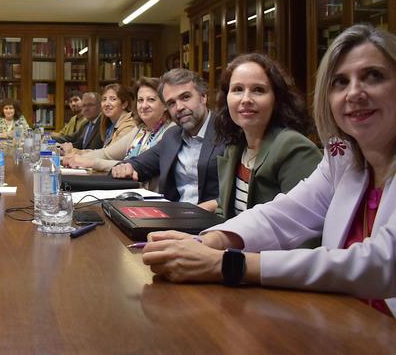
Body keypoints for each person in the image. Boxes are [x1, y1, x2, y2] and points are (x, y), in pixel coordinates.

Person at [142, 25, 395, 316]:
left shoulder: (292, 145)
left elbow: (383, 262)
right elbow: (283, 214)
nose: (354, 93)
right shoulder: (343, 157)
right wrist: (205, 241)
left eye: (373, 76)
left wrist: (229, 264)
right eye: (339, 82)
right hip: (343, 318)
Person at [213, 53, 321, 219]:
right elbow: (223, 213)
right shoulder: (234, 146)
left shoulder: (294, 148)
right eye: (237, 90)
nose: (246, 99)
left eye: (258, 90)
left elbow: (304, 227)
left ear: (276, 99)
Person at [111, 68, 224, 211]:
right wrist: (125, 167)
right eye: (171, 103)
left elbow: (243, 194)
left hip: (214, 223)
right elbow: (139, 164)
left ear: (203, 97)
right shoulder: (172, 135)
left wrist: (209, 207)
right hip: (173, 217)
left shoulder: (227, 131)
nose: (179, 107)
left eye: (185, 97)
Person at [63, 78, 173, 172]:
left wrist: (91, 162)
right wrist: (75, 158)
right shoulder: (140, 130)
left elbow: (136, 166)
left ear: (165, 104)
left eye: (151, 100)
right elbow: (107, 154)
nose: (144, 105)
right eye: (140, 100)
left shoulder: (171, 131)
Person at [63, 84, 135, 155]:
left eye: (113, 99)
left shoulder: (128, 125)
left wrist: (74, 152)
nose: (107, 103)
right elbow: (103, 151)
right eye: (104, 99)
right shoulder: (109, 124)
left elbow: (109, 154)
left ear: (124, 104)